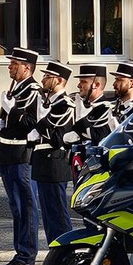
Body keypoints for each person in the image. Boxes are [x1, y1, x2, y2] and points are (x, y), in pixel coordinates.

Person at [0, 46, 42, 265]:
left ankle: (26, 255)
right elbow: (6, 123)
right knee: (16, 206)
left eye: (14, 64)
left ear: (26, 68)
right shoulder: (15, 89)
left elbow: (33, 123)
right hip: (7, 154)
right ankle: (20, 252)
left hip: (22, 156)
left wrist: (13, 112)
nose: (10, 67)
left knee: (25, 206)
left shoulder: (34, 91)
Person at [30, 60, 77, 248]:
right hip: (42, 164)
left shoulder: (65, 105)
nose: (43, 80)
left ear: (58, 80)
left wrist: (41, 123)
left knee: (58, 215)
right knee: (49, 218)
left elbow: (59, 139)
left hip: (55, 164)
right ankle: (54, 256)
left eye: (47, 77)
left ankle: (65, 257)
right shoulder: (49, 103)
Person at [73, 64, 117, 144]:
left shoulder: (106, 110)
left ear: (96, 85)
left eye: (83, 82)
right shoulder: (81, 106)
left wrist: (82, 120)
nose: (78, 86)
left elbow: (101, 139)